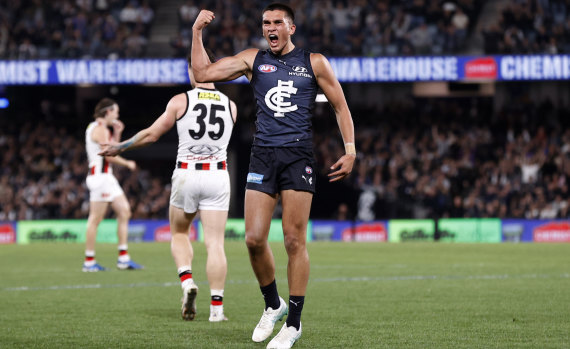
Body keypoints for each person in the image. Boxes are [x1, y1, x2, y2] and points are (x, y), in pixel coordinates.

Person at [191, 3, 356, 348]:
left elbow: (340, 105)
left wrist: (351, 149)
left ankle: (293, 323)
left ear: (291, 28)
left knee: (294, 241)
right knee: (253, 239)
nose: (270, 28)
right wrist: (196, 32)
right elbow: (203, 74)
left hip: (297, 156)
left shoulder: (315, 62)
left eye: (277, 22)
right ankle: (273, 304)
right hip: (263, 155)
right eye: (266, 23)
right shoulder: (253, 59)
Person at [98, 51, 237, 323]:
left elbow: (151, 134)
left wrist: (120, 146)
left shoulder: (180, 100)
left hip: (187, 173)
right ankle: (217, 310)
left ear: (192, 70)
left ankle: (187, 282)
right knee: (215, 244)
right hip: (218, 175)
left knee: (179, 232)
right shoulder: (231, 105)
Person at [84, 98, 143, 272]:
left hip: (105, 177)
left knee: (124, 211)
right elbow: (109, 155)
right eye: (116, 112)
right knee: (95, 219)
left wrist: (117, 133)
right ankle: (89, 261)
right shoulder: (100, 129)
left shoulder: (96, 128)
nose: (117, 115)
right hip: (100, 178)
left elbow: (112, 147)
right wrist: (128, 163)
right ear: (108, 112)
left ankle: (123, 259)